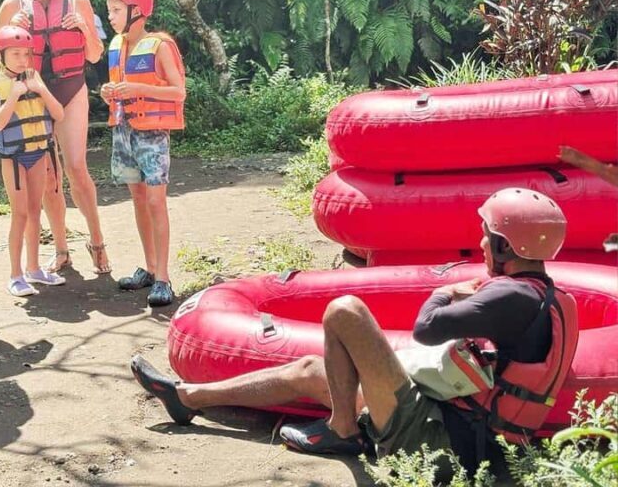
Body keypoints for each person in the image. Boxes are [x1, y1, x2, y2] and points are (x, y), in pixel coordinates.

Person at [131, 188, 579, 473]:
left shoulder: (510, 297)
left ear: (506, 245)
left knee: (345, 311)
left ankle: (343, 429)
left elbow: (426, 329)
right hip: (454, 419)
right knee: (310, 367)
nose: (481, 242)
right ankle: (187, 397)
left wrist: (447, 294)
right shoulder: (554, 299)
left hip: (442, 438)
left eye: (488, 235)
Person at [0, 0, 109, 278]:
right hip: (33, 91)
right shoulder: (11, 6)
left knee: (75, 166)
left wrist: (85, 29)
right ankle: (61, 250)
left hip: (70, 86)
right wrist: (15, 35)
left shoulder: (79, 2)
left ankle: (98, 241)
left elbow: (94, 55)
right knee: (47, 178)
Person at [101, 0, 187, 307]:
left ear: (136, 12)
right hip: (124, 131)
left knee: (155, 202)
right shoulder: (116, 45)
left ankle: (163, 277)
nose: (110, 16)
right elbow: (118, 87)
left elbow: (178, 92)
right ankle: (149, 269)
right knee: (138, 200)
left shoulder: (159, 46)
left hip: (152, 135)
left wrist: (138, 89)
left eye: (116, 10)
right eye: (109, 10)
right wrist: (108, 92)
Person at [0, 26, 65, 296]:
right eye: (15, 54)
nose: (22, 59)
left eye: (25, 54)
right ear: (1, 55)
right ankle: (15, 275)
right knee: (19, 214)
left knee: (34, 212)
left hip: (39, 153)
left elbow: (59, 114)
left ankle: (33, 268)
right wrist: (16, 94)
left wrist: (40, 89)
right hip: (14, 158)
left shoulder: (34, 77)